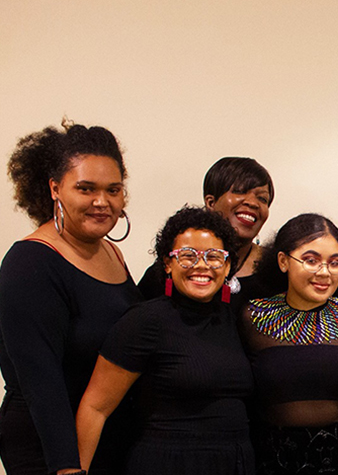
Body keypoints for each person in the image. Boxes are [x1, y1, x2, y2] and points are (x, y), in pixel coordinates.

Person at [0, 122, 141, 475]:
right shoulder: (30, 263)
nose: (101, 201)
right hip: (51, 449)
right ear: (55, 188)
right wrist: (67, 467)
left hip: (105, 440)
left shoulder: (112, 253)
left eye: (113, 190)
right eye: (85, 188)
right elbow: (40, 381)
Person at [74, 206, 254, 474]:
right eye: (187, 256)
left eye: (214, 256)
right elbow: (95, 408)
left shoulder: (229, 318)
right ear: (168, 264)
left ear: (227, 265)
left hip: (233, 462)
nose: (201, 265)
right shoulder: (144, 321)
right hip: (168, 462)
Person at [243, 213, 338, 475]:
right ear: (284, 261)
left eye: (335, 263)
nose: (324, 273)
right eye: (311, 260)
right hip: (271, 461)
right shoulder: (254, 316)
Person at [140, 157, 274, 304]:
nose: (252, 203)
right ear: (211, 202)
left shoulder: (276, 270)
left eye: (262, 199)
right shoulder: (173, 267)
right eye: (240, 191)